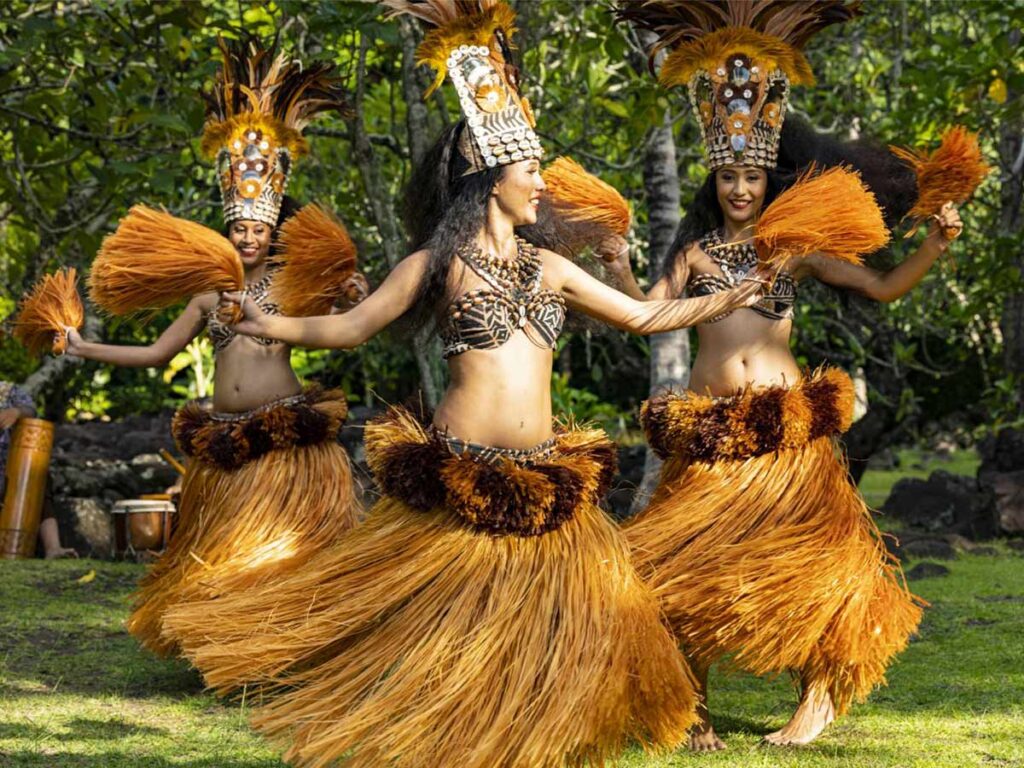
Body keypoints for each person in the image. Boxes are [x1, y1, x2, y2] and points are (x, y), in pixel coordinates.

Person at [164, 4, 769, 766]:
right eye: (531, 171)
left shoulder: (550, 267)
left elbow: (646, 317)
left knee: (562, 632)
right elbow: (351, 329)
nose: (543, 183)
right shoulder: (434, 266)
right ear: (490, 179)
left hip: (546, 475)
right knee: (436, 642)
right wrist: (266, 326)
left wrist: (733, 297)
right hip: (459, 473)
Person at [613, 0, 976, 750]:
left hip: (785, 437)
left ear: (767, 177)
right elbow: (641, 314)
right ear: (712, 178)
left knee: (812, 566)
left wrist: (936, 245)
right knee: (682, 569)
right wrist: (616, 263)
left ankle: (816, 698)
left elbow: (878, 287)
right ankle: (696, 708)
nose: (739, 189)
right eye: (727, 176)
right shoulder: (691, 256)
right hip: (710, 440)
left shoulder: (795, 248)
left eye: (751, 175)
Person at [65, 36, 362, 657]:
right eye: (238, 227)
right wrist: (81, 348)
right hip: (222, 438)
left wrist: (353, 294)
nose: (248, 237)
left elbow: (347, 326)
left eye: (257, 228)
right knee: (224, 547)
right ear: (225, 227)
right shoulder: (207, 294)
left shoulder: (292, 286)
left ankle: (273, 645)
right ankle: (229, 643)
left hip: (284, 439)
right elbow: (152, 355)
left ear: (272, 227)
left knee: (276, 548)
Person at [0, 381, 77, 559]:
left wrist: (16, 412)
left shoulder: (8, 390)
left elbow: (31, 410)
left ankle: (53, 548)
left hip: (13, 468)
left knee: (37, 475)